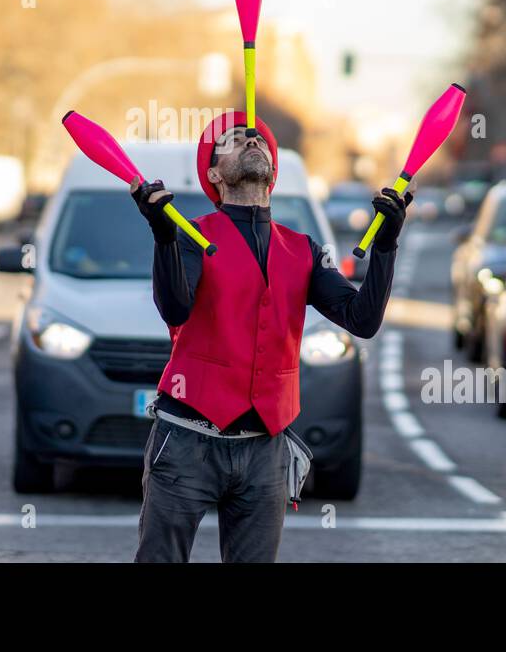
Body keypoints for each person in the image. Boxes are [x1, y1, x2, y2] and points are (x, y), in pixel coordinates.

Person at [129, 110, 411, 562]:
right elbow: (175, 308)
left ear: (273, 172)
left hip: (265, 448)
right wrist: (163, 238)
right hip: (186, 440)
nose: (251, 141)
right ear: (214, 174)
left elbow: (363, 320)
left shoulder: (302, 249)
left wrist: (386, 246)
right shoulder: (192, 236)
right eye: (235, 140)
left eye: (257, 139)